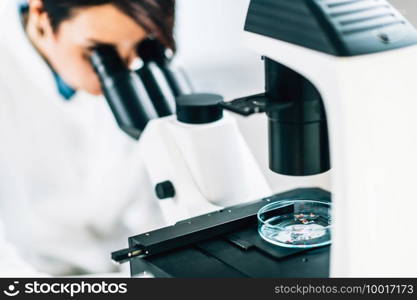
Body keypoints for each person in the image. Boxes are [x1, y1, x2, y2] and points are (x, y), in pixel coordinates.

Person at [0, 0, 175, 276]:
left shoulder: (128, 61)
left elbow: (158, 206)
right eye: (96, 51)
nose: (125, 66)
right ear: (41, 15)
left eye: (138, 47)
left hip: (120, 266)